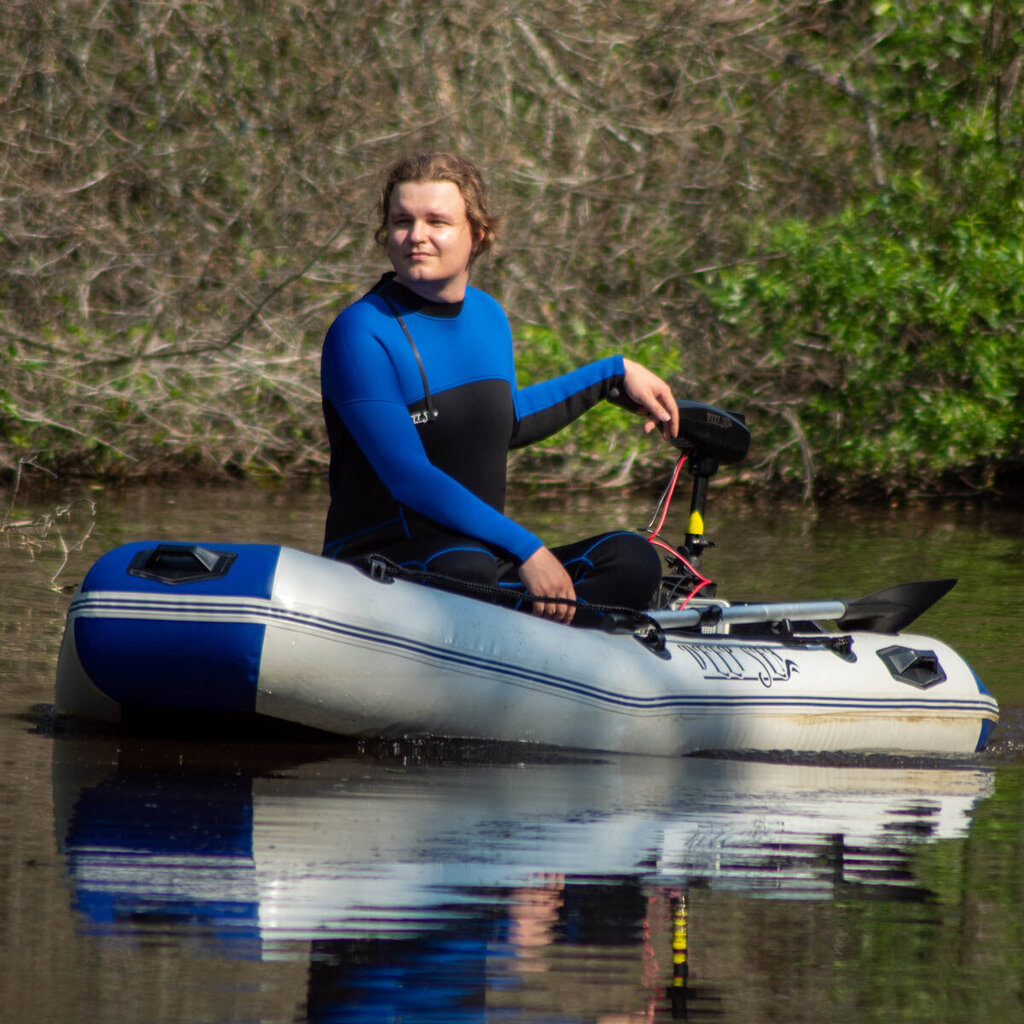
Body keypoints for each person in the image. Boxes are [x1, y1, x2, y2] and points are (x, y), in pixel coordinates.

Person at [321, 152, 679, 626]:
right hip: (383, 562)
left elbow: (504, 421)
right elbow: (406, 475)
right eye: (402, 221)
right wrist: (528, 549)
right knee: (465, 565)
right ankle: (557, 625)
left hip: (484, 559)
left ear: (479, 234)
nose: (416, 236)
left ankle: (549, 643)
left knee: (631, 557)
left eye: (437, 221)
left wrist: (612, 374)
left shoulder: (488, 316)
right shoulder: (361, 332)